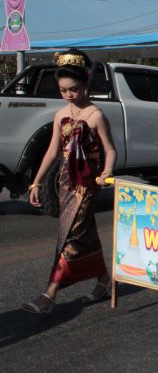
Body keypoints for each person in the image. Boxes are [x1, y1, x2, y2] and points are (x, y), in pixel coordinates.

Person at [22, 49, 117, 314]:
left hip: (86, 184)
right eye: (63, 90)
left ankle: (49, 294)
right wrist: (36, 183)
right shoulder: (60, 115)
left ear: (85, 84)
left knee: (70, 235)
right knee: (84, 234)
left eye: (74, 89)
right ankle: (104, 281)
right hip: (65, 182)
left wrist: (107, 171)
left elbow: (110, 149)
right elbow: (52, 151)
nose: (69, 95)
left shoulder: (96, 115)